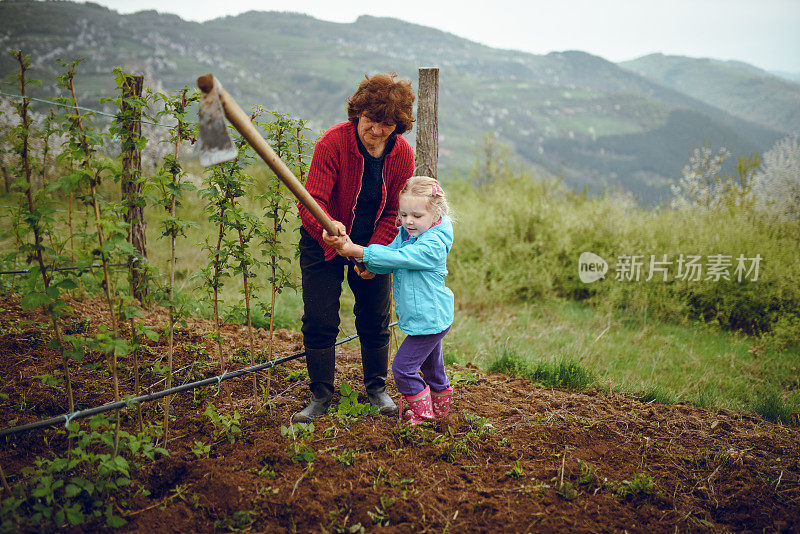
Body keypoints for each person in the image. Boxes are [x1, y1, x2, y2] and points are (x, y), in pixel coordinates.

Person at [292, 73, 416, 423]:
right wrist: (327, 230)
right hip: (323, 241)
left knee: (375, 318)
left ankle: (377, 390)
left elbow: (394, 209)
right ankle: (320, 396)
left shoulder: (402, 154)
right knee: (319, 318)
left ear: (397, 126)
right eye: (371, 121)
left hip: (371, 244)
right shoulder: (333, 142)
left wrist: (371, 253)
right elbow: (310, 200)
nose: (377, 131)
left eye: (387, 124)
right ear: (357, 114)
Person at [326, 176, 455, 425]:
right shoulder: (409, 234)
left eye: (416, 216)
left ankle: (423, 414)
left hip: (429, 317)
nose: (408, 221)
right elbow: (394, 253)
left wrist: (358, 251)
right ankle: (438, 412)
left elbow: (404, 258)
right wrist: (370, 264)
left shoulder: (434, 243)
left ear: (436, 213)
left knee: (403, 369)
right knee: (432, 368)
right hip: (427, 316)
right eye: (404, 214)